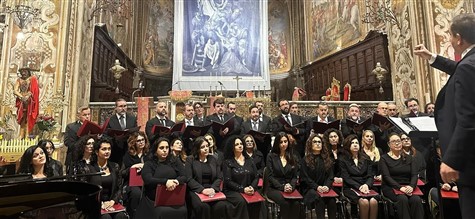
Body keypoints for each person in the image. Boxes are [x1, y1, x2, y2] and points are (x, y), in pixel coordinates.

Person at [414, 14, 475, 218]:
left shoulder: (467, 67)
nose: (449, 39)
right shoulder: (470, 63)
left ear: (458, 38)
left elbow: (468, 119)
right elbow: (460, 68)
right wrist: (432, 57)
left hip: (470, 163)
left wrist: (451, 160)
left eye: (449, 35)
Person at [136, 137, 187, 218]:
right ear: (156, 150)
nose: (165, 150)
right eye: (161, 148)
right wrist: (166, 182)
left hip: (173, 197)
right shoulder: (149, 163)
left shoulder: (175, 161)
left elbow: (184, 176)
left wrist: (176, 182)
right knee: (161, 212)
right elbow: (148, 179)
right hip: (154, 199)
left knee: (182, 210)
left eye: (167, 147)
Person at [379, 133, 424, 219]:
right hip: (391, 187)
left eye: (398, 141)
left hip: (407, 186)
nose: (397, 143)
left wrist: (411, 186)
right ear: (389, 144)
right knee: (402, 199)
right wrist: (400, 188)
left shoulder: (410, 158)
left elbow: (414, 175)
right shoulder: (384, 158)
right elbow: (386, 177)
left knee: (416, 200)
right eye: (394, 141)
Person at [223, 135, 267, 219]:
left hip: (249, 188)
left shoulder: (249, 160)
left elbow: (256, 176)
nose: (240, 146)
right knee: (242, 201)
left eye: (241, 144)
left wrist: (252, 187)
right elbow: (228, 181)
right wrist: (243, 189)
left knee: (260, 201)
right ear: (232, 147)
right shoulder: (227, 162)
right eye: (236, 144)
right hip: (233, 191)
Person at [185, 136, 228, 219]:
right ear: (197, 149)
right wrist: (202, 190)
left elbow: (219, 177)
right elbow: (189, 179)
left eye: (207, 146)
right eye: (202, 147)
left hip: (212, 190)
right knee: (204, 207)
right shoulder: (190, 160)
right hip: (196, 190)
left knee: (221, 205)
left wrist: (213, 188)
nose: (206, 149)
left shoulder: (213, 159)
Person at [340, 135, 378, 219]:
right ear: (348, 145)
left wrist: (366, 185)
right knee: (364, 201)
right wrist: (359, 187)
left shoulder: (366, 158)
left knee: (373, 201)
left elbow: (370, 175)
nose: (355, 145)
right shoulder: (343, 159)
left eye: (356, 143)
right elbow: (346, 178)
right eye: (352, 143)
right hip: (351, 187)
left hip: (366, 186)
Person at [300, 134, 336, 219]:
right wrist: (317, 187)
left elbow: (330, 176)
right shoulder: (305, 159)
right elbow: (305, 178)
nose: (317, 144)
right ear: (310, 144)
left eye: (319, 142)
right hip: (310, 189)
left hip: (324, 188)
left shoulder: (327, 159)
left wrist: (327, 186)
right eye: (315, 142)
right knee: (318, 198)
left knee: (332, 200)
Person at [266, 132, 301, 219]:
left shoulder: (293, 156)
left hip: (289, 187)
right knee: (285, 203)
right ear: (277, 143)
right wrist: (282, 187)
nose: (283, 144)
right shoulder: (271, 156)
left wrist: (291, 186)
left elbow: (294, 176)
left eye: (285, 141)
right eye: (281, 142)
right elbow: (270, 176)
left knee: (296, 203)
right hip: (274, 187)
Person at [91, 137, 127, 219]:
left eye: (109, 149)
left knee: (121, 216)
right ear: (97, 152)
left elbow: (119, 188)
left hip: (112, 203)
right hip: (96, 204)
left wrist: (113, 201)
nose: (107, 151)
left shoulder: (115, 166)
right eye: (104, 149)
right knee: (106, 217)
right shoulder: (90, 168)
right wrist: (101, 204)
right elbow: (89, 191)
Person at [121, 131, 150, 218]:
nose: (141, 142)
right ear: (134, 143)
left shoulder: (149, 154)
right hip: (132, 183)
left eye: (143, 140)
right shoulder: (128, 155)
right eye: (138, 141)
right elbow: (122, 173)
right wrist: (133, 167)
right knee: (136, 193)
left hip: (147, 182)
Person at [106, 98, 138, 164]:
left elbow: (135, 132)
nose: (123, 108)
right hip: (115, 150)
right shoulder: (110, 120)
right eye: (120, 106)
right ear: (115, 108)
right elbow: (106, 135)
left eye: (125, 106)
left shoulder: (132, 118)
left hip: (129, 149)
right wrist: (115, 138)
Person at [13, 67, 39, 138]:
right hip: (21, 101)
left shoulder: (32, 79)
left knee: (28, 117)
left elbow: (34, 90)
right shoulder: (19, 80)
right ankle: (21, 134)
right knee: (22, 117)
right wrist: (21, 97)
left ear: (28, 72)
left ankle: (27, 134)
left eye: (25, 71)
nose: (23, 73)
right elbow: (15, 90)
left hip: (30, 101)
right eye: (22, 71)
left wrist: (28, 96)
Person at [64, 106, 91, 171]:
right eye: (84, 115)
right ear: (78, 116)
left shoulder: (92, 127)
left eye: (89, 114)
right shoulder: (71, 127)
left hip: (89, 158)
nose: (87, 116)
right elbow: (68, 143)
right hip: (74, 158)